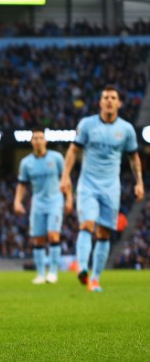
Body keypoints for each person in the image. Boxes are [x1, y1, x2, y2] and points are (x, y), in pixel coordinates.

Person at [60, 86, 142, 292]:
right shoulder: (87, 125)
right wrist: (65, 176)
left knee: (104, 233)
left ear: (119, 103)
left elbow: (134, 157)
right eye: (105, 97)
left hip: (111, 186)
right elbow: (73, 150)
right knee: (87, 224)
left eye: (113, 98)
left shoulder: (127, 129)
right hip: (88, 184)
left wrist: (139, 181)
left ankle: (95, 279)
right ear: (100, 102)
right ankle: (82, 267)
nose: (109, 101)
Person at [13, 128, 72, 284]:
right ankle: (40, 274)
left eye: (40, 137)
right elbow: (22, 184)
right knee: (38, 240)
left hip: (55, 201)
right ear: (32, 142)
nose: (38, 140)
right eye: (35, 138)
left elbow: (65, 179)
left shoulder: (56, 158)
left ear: (45, 140)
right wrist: (17, 201)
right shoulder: (26, 163)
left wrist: (69, 199)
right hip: (37, 203)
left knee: (53, 235)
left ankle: (53, 272)